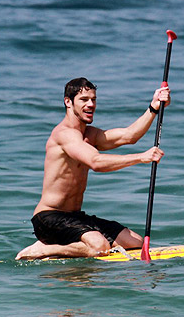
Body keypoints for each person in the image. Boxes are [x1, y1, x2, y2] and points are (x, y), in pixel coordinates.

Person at [16, 77, 171, 260]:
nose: (90, 105)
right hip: (49, 218)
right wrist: (141, 157)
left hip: (75, 217)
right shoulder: (65, 135)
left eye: (93, 99)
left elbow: (129, 136)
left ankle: (73, 246)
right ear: (68, 102)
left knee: (135, 243)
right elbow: (96, 162)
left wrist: (153, 107)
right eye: (84, 100)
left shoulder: (90, 134)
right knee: (100, 248)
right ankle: (45, 249)